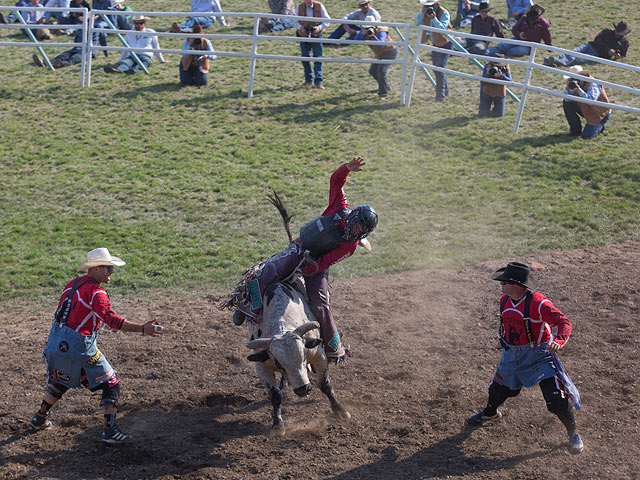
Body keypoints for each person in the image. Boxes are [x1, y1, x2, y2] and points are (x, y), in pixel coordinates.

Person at [227, 157, 378, 364]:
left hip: (315, 265)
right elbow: (335, 181)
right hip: (299, 248)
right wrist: (346, 169)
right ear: (353, 217)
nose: (356, 230)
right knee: (268, 270)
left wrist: (307, 269)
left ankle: (333, 347)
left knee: (320, 304)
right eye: (357, 225)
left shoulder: (350, 246)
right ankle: (245, 306)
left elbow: (326, 261)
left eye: (361, 230)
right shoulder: (339, 207)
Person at [29, 248, 165, 444]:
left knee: (62, 379)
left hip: (56, 345)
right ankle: (110, 431)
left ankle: (39, 418)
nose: (112, 272)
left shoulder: (72, 285)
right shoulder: (97, 293)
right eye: (109, 268)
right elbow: (111, 321)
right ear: (96, 269)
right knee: (111, 383)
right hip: (80, 348)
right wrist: (143, 329)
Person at [466, 262, 583, 455]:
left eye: (504, 282)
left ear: (517, 285)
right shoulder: (505, 300)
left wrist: (559, 341)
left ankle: (573, 433)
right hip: (512, 353)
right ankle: (490, 414)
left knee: (555, 399)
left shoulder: (538, 303)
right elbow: (510, 324)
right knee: (498, 390)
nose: (500, 284)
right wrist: (504, 342)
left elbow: (563, 322)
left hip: (539, 355)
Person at [32, 0, 98, 68]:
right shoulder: (81, 28)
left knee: (74, 58)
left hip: (88, 51)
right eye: (86, 20)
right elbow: (77, 40)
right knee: (64, 55)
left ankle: (59, 63)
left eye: (88, 20)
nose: (87, 22)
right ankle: (46, 62)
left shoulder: (95, 30)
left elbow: (101, 39)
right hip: (78, 48)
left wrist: (106, 52)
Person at [544, 21, 631, 68]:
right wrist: (608, 49)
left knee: (578, 59)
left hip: (598, 55)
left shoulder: (624, 43)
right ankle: (555, 61)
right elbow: (597, 40)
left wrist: (617, 56)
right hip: (590, 46)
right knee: (573, 53)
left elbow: (622, 55)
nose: (617, 33)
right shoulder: (606, 32)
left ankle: (555, 61)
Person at [415, 0, 452, 102]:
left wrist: (434, 18)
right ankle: (445, 91)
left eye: (430, 6)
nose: (428, 8)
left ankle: (440, 96)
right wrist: (422, 13)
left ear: (435, 5)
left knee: (439, 68)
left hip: (446, 43)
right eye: (426, 6)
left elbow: (442, 28)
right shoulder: (424, 13)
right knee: (437, 68)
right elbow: (416, 23)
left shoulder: (444, 12)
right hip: (434, 43)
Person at [353, 18, 398, 100]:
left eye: (369, 28)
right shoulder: (363, 32)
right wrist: (362, 35)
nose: (367, 30)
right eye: (365, 28)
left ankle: (383, 94)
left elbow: (380, 44)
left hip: (390, 52)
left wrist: (373, 36)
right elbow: (355, 40)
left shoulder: (382, 31)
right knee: (373, 71)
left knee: (381, 70)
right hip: (379, 53)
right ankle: (386, 86)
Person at [562, 66, 610, 139]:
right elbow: (566, 99)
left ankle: (599, 125)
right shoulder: (574, 84)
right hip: (586, 108)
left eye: (575, 79)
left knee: (586, 136)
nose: (574, 81)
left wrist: (579, 90)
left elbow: (591, 101)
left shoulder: (593, 84)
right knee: (567, 103)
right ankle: (575, 131)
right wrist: (569, 89)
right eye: (572, 79)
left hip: (600, 112)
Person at [486, 4, 551, 58]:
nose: (531, 20)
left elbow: (547, 36)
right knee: (503, 46)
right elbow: (514, 29)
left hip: (530, 45)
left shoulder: (544, 24)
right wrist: (519, 34)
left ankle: (503, 56)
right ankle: (485, 53)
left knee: (516, 50)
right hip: (517, 39)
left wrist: (549, 47)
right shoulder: (524, 18)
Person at [294, 0, 330, 89]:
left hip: (317, 35)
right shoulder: (299, 7)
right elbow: (295, 21)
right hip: (303, 35)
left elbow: (327, 20)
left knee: (318, 57)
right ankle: (308, 80)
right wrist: (300, 28)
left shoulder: (320, 5)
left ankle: (318, 81)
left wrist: (319, 27)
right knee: (305, 57)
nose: (308, 1)